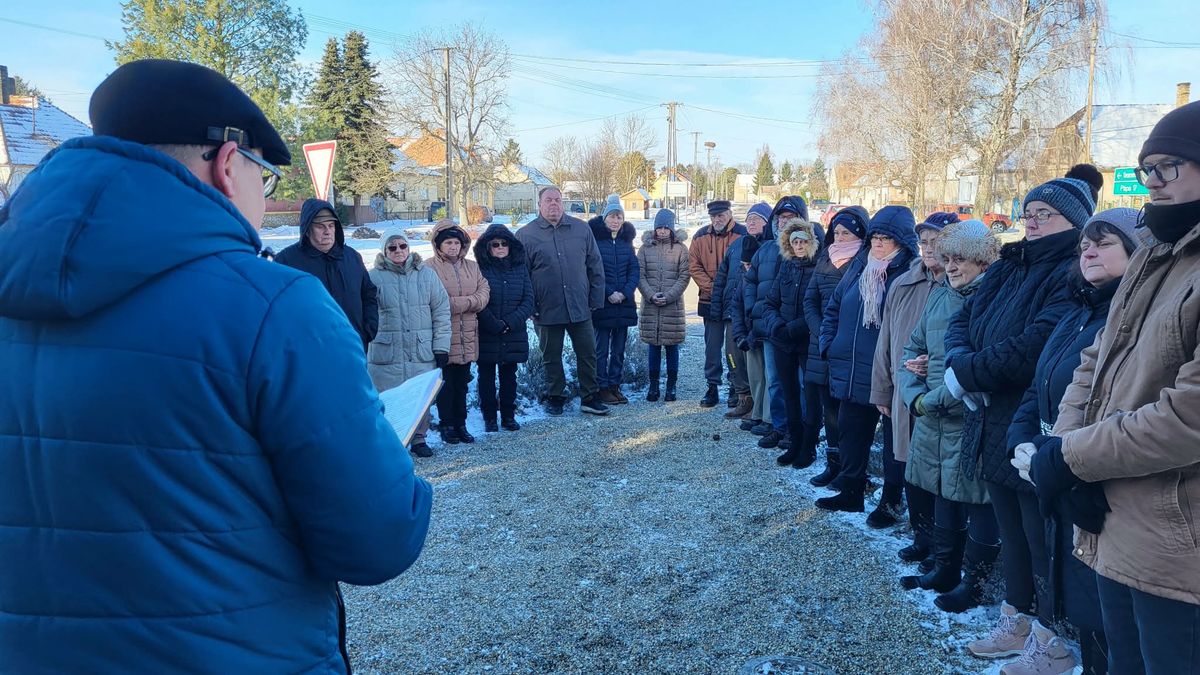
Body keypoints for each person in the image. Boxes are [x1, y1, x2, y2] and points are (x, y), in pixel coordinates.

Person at [0, 59, 432, 672]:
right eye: (267, 177)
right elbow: (377, 541)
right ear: (228, 165)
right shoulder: (275, 307)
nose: (267, 196)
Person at [1016, 104, 1200, 674]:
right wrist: (1067, 453)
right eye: (1146, 169)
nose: (1152, 183)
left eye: (1167, 166)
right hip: (1119, 517)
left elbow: (1189, 418)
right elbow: (1093, 364)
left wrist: (1070, 457)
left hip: (1179, 540)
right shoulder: (1156, 259)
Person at [941, 175, 1094, 624]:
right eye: (1028, 213)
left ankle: (1044, 630)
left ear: (1074, 221)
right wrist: (958, 359)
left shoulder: (1071, 270)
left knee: (1037, 535)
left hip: (1026, 418)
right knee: (1011, 530)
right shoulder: (1011, 264)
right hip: (988, 416)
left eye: (1044, 214)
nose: (1031, 221)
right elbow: (962, 320)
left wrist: (965, 372)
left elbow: (1036, 345)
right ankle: (1015, 616)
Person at [1002, 208, 1141, 675]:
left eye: (1103, 243)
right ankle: (1062, 648)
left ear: (1137, 251)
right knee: (1070, 578)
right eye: (1084, 245)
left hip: (1097, 474)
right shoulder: (1078, 310)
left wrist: (1064, 458)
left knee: (1103, 601)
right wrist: (1021, 436)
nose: (1089, 251)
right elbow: (1040, 381)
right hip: (1056, 461)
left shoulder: (1128, 318)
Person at [896, 221, 1001, 615]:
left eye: (961, 259)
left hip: (969, 417)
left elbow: (983, 369)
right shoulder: (940, 295)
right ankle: (944, 568)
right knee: (942, 492)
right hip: (932, 413)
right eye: (948, 258)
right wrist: (915, 395)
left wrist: (930, 401)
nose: (952, 267)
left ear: (982, 259)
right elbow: (912, 349)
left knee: (976, 503)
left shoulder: (991, 299)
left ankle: (973, 584)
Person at [816, 205, 919, 513]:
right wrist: (829, 344)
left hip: (885, 371)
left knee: (893, 443)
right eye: (875, 236)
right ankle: (851, 492)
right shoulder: (861, 265)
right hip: (849, 366)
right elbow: (833, 307)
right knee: (851, 433)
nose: (878, 243)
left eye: (886, 238)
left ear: (901, 241)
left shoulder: (908, 272)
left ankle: (889, 501)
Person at [869, 212, 955, 534]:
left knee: (935, 470)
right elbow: (886, 341)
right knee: (906, 465)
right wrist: (881, 390)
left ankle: (937, 542)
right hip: (901, 391)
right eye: (924, 242)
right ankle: (919, 534)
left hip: (939, 396)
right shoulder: (904, 284)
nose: (928, 248)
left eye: (937, 242)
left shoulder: (958, 286)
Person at [517, 187, 609, 417]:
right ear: (539, 204)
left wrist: (595, 299)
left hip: (580, 306)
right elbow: (522, 275)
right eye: (548, 200)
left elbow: (595, 265)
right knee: (551, 356)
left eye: (557, 200)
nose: (554, 204)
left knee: (588, 353)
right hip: (546, 308)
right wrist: (530, 306)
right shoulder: (526, 235)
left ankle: (590, 396)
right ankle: (555, 396)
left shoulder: (581, 229)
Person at [367, 232, 451, 457]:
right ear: (384, 251)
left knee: (419, 398)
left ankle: (419, 438)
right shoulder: (372, 278)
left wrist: (442, 346)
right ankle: (391, 441)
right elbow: (364, 314)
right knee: (388, 398)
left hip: (420, 349)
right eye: (392, 247)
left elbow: (441, 310)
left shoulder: (427, 276)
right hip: (387, 351)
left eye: (402, 245)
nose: (398, 251)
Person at [804, 206, 869, 487]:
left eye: (848, 233)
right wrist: (822, 334)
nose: (841, 238)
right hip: (822, 346)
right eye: (838, 232)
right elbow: (811, 300)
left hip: (851, 348)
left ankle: (852, 470)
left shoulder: (867, 261)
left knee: (850, 415)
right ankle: (834, 463)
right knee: (829, 410)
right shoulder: (824, 259)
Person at [745, 196, 809, 449]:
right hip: (771, 326)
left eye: (790, 218)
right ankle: (779, 426)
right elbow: (750, 281)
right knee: (775, 379)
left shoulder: (807, 248)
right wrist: (755, 309)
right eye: (780, 218)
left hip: (798, 328)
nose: (784, 223)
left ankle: (800, 430)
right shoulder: (767, 249)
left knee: (800, 383)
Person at [275, 197, 378, 352]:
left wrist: (367, 330)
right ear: (307, 229)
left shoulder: (352, 258)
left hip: (352, 350)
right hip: (308, 355)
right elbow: (276, 308)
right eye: (320, 227)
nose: (327, 231)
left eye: (331, 226)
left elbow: (368, 294)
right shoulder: (287, 261)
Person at [763, 217, 821, 468]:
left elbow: (820, 307)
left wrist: (794, 327)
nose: (799, 246)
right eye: (794, 241)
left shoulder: (819, 268)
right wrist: (777, 325)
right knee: (789, 394)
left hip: (807, 341)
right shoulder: (786, 267)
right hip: (783, 341)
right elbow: (770, 302)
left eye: (803, 241)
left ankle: (809, 446)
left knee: (811, 394)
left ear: (812, 243)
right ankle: (794, 441)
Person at [427, 220, 489, 444]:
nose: (453, 247)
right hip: (443, 334)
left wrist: (463, 302)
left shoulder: (472, 267)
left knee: (462, 382)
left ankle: (461, 423)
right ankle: (447, 424)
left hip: (468, 334)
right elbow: (436, 301)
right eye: (448, 242)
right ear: (438, 245)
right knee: (446, 383)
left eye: (456, 242)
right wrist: (469, 303)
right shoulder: (429, 268)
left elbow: (484, 293)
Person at [713, 202, 774, 419]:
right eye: (748, 219)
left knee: (756, 361)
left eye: (756, 219)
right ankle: (743, 396)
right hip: (733, 311)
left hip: (757, 314)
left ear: (767, 222)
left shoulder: (771, 246)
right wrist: (717, 306)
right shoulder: (737, 246)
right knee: (732, 355)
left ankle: (758, 405)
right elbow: (722, 276)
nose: (750, 222)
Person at [474, 223, 535, 433]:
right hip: (487, 332)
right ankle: (489, 417)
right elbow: (478, 302)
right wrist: (493, 324)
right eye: (495, 244)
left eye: (504, 244)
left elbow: (529, 300)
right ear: (487, 247)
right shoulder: (480, 270)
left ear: (511, 246)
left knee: (509, 377)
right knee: (487, 378)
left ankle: (508, 415)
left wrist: (509, 323)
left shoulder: (520, 268)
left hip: (513, 332)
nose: (500, 247)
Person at [690, 199, 746, 407]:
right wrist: (715, 289)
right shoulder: (700, 236)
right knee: (712, 347)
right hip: (709, 299)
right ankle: (712, 385)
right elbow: (694, 266)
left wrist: (729, 291)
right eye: (714, 216)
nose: (717, 219)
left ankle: (736, 386)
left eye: (721, 215)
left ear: (730, 214)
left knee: (734, 349)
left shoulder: (743, 235)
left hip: (734, 302)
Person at [590, 195, 640, 405]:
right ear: (604, 219)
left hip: (624, 303)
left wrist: (625, 292)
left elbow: (634, 269)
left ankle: (614, 385)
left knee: (619, 349)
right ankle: (601, 387)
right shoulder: (595, 242)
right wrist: (609, 292)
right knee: (601, 349)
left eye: (619, 217)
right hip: (604, 302)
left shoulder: (626, 243)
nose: (615, 220)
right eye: (612, 216)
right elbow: (592, 270)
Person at [637, 209, 691, 401]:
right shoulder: (645, 249)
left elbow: (684, 276)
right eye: (659, 227)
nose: (662, 231)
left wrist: (668, 296)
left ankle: (671, 386)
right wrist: (651, 295)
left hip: (672, 307)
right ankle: (653, 386)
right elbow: (639, 275)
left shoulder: (681, 249)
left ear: (672, 229)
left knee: (671, 347)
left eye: (665, 227)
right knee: (653, 347)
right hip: (651, 306)